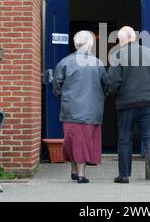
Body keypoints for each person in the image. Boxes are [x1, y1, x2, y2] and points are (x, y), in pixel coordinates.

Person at [109, 26, 150, 185]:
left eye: (119, 40)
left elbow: (113, 83)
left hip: (126, 104)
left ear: (123, 39)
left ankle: (124, 175)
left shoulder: (118, 55)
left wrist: (114, 94)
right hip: (149, 102)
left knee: (124, 138)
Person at [53, 30, 110, 184]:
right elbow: (107, 86)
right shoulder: (98, 63)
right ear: (90, 45)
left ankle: (74, 170)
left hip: (70, 109)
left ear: (75, 44)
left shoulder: (64, 62)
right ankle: (81, 174)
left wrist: (66, 95)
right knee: (84, 141)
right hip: (92, 110)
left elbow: (56, 88)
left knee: (72, 140)